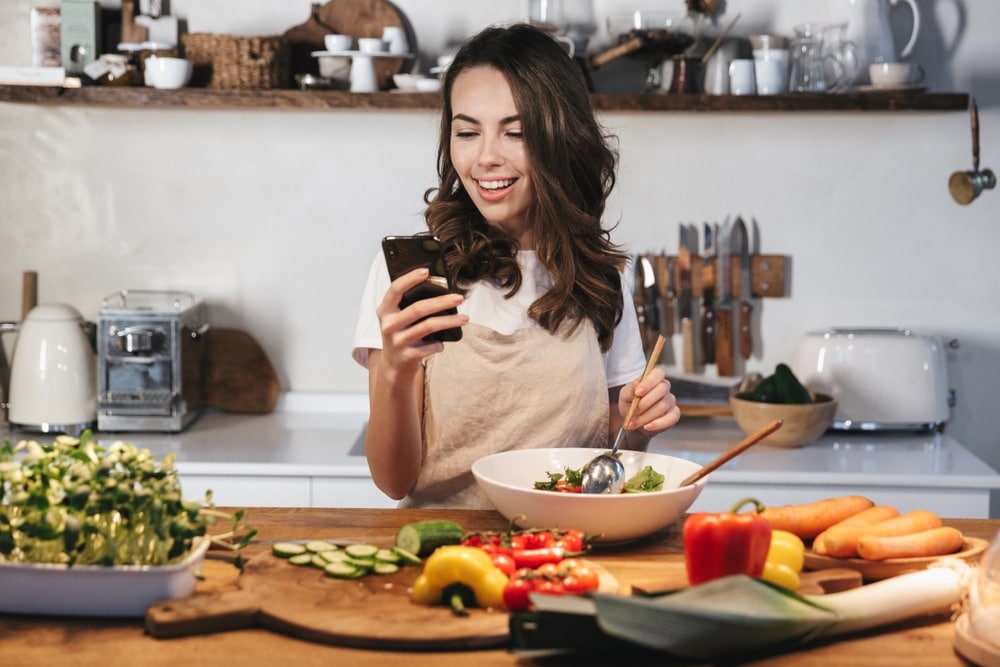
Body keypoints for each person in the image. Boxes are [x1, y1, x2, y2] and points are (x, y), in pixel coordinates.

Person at [352, 23, 680, 508]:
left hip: (566, 554)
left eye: (516, 133)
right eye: (467, 132)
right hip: (444, 556)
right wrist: (396, 372)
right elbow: (393, 481)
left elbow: (612, 457)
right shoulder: (416, 272)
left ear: (560, 138)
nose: (486, 157)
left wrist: (638, 430)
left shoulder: (598, 274)